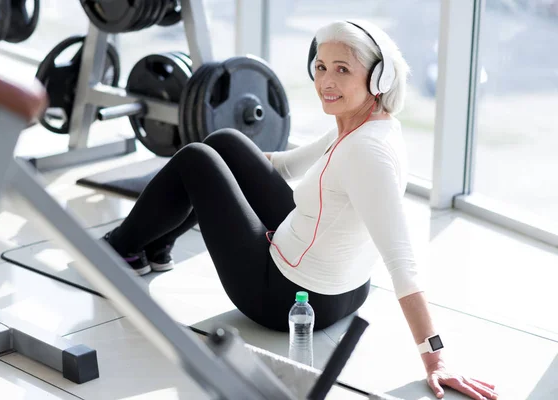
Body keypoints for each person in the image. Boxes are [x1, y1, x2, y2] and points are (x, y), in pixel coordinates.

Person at [103, 21, 498, 400]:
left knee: (195, 159)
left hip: (286, 298)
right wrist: (230, 163)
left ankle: (120, 248)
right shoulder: (365, 122)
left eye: (342, 70)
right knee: (223, 142)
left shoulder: (365, 152)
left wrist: (436, 356)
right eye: (321, 67)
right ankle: (154, 247)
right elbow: (288, 165)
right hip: (344, 288)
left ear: (378, 79)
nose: (326, 81)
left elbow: (403, 261)